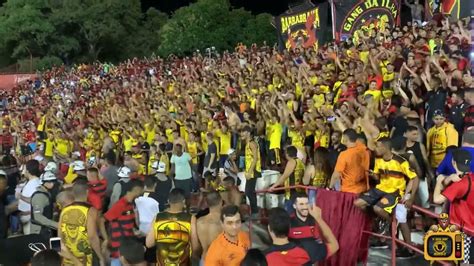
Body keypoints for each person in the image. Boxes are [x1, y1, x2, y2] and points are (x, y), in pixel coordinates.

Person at [354, 138, 418, 222]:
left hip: (394, 192)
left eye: (377, 146)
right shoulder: (378, 160)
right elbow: (377, 178)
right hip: (380, 189)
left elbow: (415, 178)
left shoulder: (400, 161)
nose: (375, 149)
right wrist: (373, 175)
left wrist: (411, 198)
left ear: (384, 148)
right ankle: (376, 221)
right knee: (358, 203)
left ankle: (390, 223)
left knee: (378, 209)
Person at [433, 148, 474, 264]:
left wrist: (438, 181)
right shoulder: (471, 177)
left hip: (465, 229)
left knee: (463, 261)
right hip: (471, 225)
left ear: (453, 162)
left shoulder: (459, 184)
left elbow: (437, 199)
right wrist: (450, 178)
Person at [264, 206, 339, 265]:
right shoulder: (308, 249)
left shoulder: (262, 258)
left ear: (269, 228)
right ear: (289, 227)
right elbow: (334, 245)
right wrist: (318, 218)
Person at [146, 188, 198, 266]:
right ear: (183, 201)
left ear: (168, 201)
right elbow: (195, 247)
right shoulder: (190, 219)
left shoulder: (158, 217)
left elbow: (149, 243)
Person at [59, 179, 106, 266]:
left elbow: (60, 235)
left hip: (68, 258)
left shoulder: (64, 211)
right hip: (86, 259)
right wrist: (101, 257)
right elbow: (92, 237)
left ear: (73, 193)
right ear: (87, 192)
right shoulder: (91, 211)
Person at [104, 179, 144, 266]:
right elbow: (103, 219)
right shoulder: (120, 205)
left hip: (127, 245)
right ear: (137, 190)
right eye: (141, 191)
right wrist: (106, 238)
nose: (141, 193)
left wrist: (135, 232)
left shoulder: (130, 204)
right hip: (118, 247)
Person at [329, 129, 370, 193]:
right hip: (364, 188)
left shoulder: (344, 155)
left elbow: (336, 175)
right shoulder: (364, 149)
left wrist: (330, 187)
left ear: (345, 139)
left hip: (349, 191)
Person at [269, 146, 305, 211]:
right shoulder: (301, 162)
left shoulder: (292, 162)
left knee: (289, 215)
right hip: (299, 192)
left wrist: (273, 187)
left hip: (291, 193)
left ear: (287, 154)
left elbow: (284, 176)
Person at [196, 191, 224, 263]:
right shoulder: (223, 222)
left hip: (204, 259)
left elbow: (196, 245)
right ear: (221, 201)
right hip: (219, 260)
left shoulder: (198, 221)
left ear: (207, 204)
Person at [30, 171, 58, 239]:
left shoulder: (47, 193)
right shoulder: (39, 196)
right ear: (43, 182)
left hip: (45, 228)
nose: (52, 184)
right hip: (39, 230)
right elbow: (38, 217)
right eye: (49, 182)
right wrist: (56, 225)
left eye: (53, 181)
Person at [241, 126, 261, 217]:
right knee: (249, 191)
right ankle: (254, 212)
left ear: (248, 133)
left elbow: (255, 158)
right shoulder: (248, 143)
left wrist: (250, 172)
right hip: (250, 170)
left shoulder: (252, 143)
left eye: (243, 132)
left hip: (253, 171)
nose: (241, 134)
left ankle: (255, 213)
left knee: (249, 192)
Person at [18, 159, 42, 235]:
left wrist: (20, 196)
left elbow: (36, 202)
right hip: (27, 219)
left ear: (27, 171)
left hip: (31, 220)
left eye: (24, 169)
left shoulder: (35, 184)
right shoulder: (32, 181)